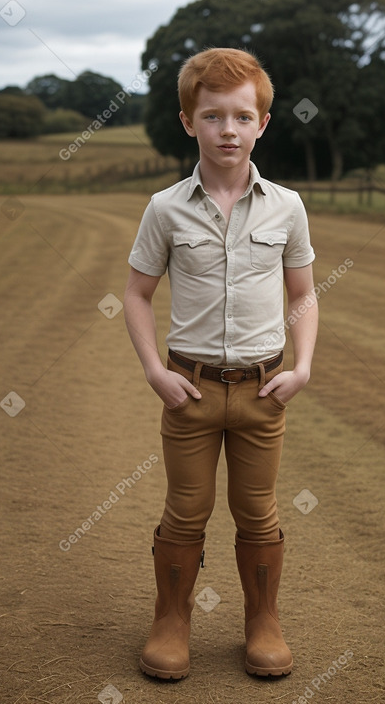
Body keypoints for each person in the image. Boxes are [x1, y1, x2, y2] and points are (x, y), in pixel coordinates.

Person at [123, 47, 318, 680]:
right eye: (212, 116)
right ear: (189, 121)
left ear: (263, 123)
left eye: (241, 116)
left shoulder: (287, 206)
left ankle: (262, 621)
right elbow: (136, 293)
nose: (227, 130)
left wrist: (304, 366)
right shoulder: (166, 208)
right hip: (192, 391)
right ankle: (171, 621)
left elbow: (303, 295)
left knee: (257, 510)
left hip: (264, 393)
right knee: (186, 509)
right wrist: (156, 370)